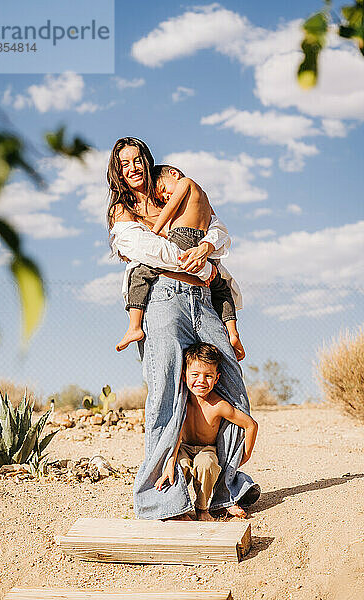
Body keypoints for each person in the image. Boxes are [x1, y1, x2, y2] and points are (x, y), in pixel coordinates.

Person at [107, 136, 260, 520]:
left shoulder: (170, 188)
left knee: (232, 387)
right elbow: (145, 250)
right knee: (166, 393)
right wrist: (195, 260)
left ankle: (225, 486)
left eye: (137, 159)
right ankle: (164, 499)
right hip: (163, 301)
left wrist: (207, 248)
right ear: (118, 172)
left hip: (203, 299)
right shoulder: (122, 211)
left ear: (148, 161)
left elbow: (220, 230)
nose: (134, 168)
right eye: (124, 164)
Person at [115, 164, 245, 361]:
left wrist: (155, 231)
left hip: (183, 237)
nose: (165, 198)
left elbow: (170, 208)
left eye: (162, 191)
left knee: (140, 271)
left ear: (173, 174)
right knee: (222, 289)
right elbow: (216, 226)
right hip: (200, 240)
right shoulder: (205, 199)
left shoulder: (185, 183)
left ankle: (134, 326)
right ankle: (233, 333)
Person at [155, 342, 258, 521]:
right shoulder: (181, 402)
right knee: (180, 466)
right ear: (184, 375)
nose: (201, 381)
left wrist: (246, 454)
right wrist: (170, 461)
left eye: (208, 376)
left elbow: (251, 425)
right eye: (195, 374)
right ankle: (177, 509)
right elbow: (176, 432)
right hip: (183, 447)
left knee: (207, 464)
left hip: (207, 448)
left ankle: (202, 508)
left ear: (217, 379)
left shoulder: (218, 405)